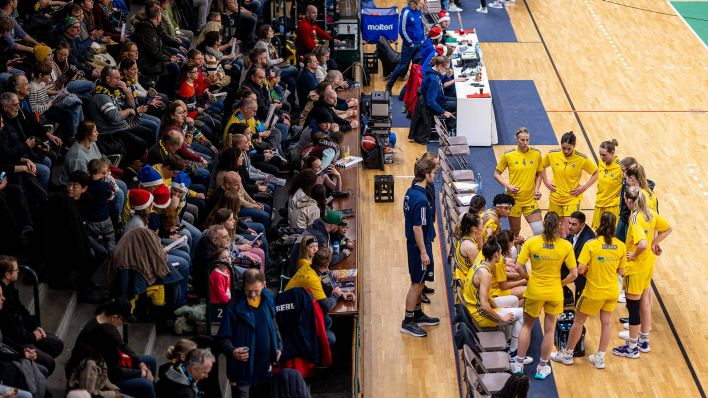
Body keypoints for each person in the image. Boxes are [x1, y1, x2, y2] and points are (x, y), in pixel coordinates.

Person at [551, 212, 625, 369]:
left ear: (599, 224)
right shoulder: (621, 246)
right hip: (612, 291)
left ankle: (567, 354)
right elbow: (622, 272)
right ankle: (600, 358)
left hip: (593, 292)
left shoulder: (591, 245)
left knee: (578, 321)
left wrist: (591, 269)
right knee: (606, 324)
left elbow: (580, 269)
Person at [510, 212, 577, 379]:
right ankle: (542, 367)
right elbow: (574, 274)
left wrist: (527, 278)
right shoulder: (566, 246)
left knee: (526, 326)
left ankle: (518, 364)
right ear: (559, 226)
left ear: (544, 225)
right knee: (549, 331)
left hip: (534, 290)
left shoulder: (532, 242)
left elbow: (519, 266)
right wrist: (560, 283)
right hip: (554, 292)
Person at [612, 186, 671, 358]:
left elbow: (642, 244)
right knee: (645, 302)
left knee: (633, 307)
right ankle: (643, 340)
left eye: (625, 199)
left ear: (630, 201)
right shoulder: (650, 213)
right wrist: (654, 243)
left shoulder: (635, 218)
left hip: (635, 267)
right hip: (648, 265)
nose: (624, 201)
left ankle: (631, 347)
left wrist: (635, 253)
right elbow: (668, 228)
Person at [66, 298, 157, 398]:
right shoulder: (98, 335)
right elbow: (114, 372)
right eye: (124, 321)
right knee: (146, 385)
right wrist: (142, 373)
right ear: (115, 317)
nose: (125, 324)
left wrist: (140, 363)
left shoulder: (107, 324)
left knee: (149, 361)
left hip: (111, 366)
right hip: (103, 377)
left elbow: (122, 345)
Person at [219, 269, 282, 398]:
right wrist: (232, 351)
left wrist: (279, 345)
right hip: (241, 370)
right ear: (243, 286)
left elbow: (273, 323)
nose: (253, 295)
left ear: (264, 284)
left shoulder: (268, 298)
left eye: (256, 290)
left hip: (264, 366)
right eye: (249, 291)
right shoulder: (233, 306)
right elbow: (223, 337)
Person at [462, 237, 527, 360]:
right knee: (523, 314)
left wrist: (498, 307)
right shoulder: (485, 274)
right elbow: (484, 305)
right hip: (478, 313)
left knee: (513, 300)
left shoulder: (480, 264)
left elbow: (487, 298)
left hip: (472, 306)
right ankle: (513, 354)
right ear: (496, 254)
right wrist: (501, 317)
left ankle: (507, 341)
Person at [0, 256, 64, 377]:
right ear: (7, 275)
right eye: (16, 270)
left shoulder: (10, 288)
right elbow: (13, 333)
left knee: (56, 344)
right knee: (49, 363)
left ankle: (35, 367)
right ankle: (34, 373)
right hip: (17, 341)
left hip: (24, 332)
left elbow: (22, 311)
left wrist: (36, 327)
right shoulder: (2, 301)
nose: (19, 272)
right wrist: (33, 337)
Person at [400, 157, 440, 337]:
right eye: (434, 172)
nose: (435, 175)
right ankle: (408, 321)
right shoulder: (422, 200)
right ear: (426, 174)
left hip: (416, 245)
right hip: (418, 247)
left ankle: (417, 314)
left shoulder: (411, 191)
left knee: (421, 281)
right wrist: (424, 252)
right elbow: (417, 227)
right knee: (416, 284)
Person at [285, 247, 354, 344]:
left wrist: (341, 293)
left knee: (328, 321)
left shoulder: (308, 266)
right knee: (331, 337)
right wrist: (335, 295)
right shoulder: (312, 279)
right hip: (293, 317)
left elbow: (321, 285)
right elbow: (326, 306)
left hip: (291, 305)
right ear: (326, 266)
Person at [541, 131, 598, 237]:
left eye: (569, 149)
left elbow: (596, 172)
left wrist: (584, 187)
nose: (566, 151)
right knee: (556, 230)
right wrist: (546, 181)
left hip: (572, 198)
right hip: (555, 197)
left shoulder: (581, 158)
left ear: (574, 146)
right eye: (564, 148)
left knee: (569, 231)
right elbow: (541, 165)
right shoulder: (552, 154)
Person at [494, 127, 544, 238]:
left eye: (527, 140)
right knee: (515, 233)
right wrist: (508, 186)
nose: (525, 143)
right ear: (516, 139)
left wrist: (536, 189)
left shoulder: (536, 154)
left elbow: (540, 173)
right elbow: (496, 174)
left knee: (539, 231)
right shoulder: (509, 155)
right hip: (514, 201)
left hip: (530, 200)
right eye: (522, 140)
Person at [385, 0, 424, 94]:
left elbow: (421, 26)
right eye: (420, 4)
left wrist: (423, 38)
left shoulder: (419, 11)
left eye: (423, 4)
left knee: (417, 68)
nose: (421, 6)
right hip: (409, 45)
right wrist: (410, 42)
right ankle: (389, 86)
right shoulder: (406, 12)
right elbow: (402, 30)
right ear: (414, 2)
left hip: (419, 44)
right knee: (402, 66)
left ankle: (414, 89)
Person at [565, 211, 595, 302]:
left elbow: (582, 267)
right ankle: (567, 294)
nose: (570, 226)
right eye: (569, 223)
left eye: (573, 224)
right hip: (576, 265)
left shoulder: (588, 239)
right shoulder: (574, 230)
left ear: (582, 225)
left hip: (585, 272)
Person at [593, 139, 622, 229]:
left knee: (611, 233)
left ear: (612, 153)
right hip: (599, 203)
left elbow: (631, 183)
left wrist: (621, 194)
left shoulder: (620, 167)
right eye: (600, 154)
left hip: (612, 206)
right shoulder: (601, 162)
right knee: (597, 232)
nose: (601, 157)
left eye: (604, 155)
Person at [454, 212, 483, 283]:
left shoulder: (463, 235)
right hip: (470, 281)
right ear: (474, 229)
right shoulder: (470, 247)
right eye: (482, 226)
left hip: (469, 275)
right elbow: (479, 270)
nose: (483, 228)